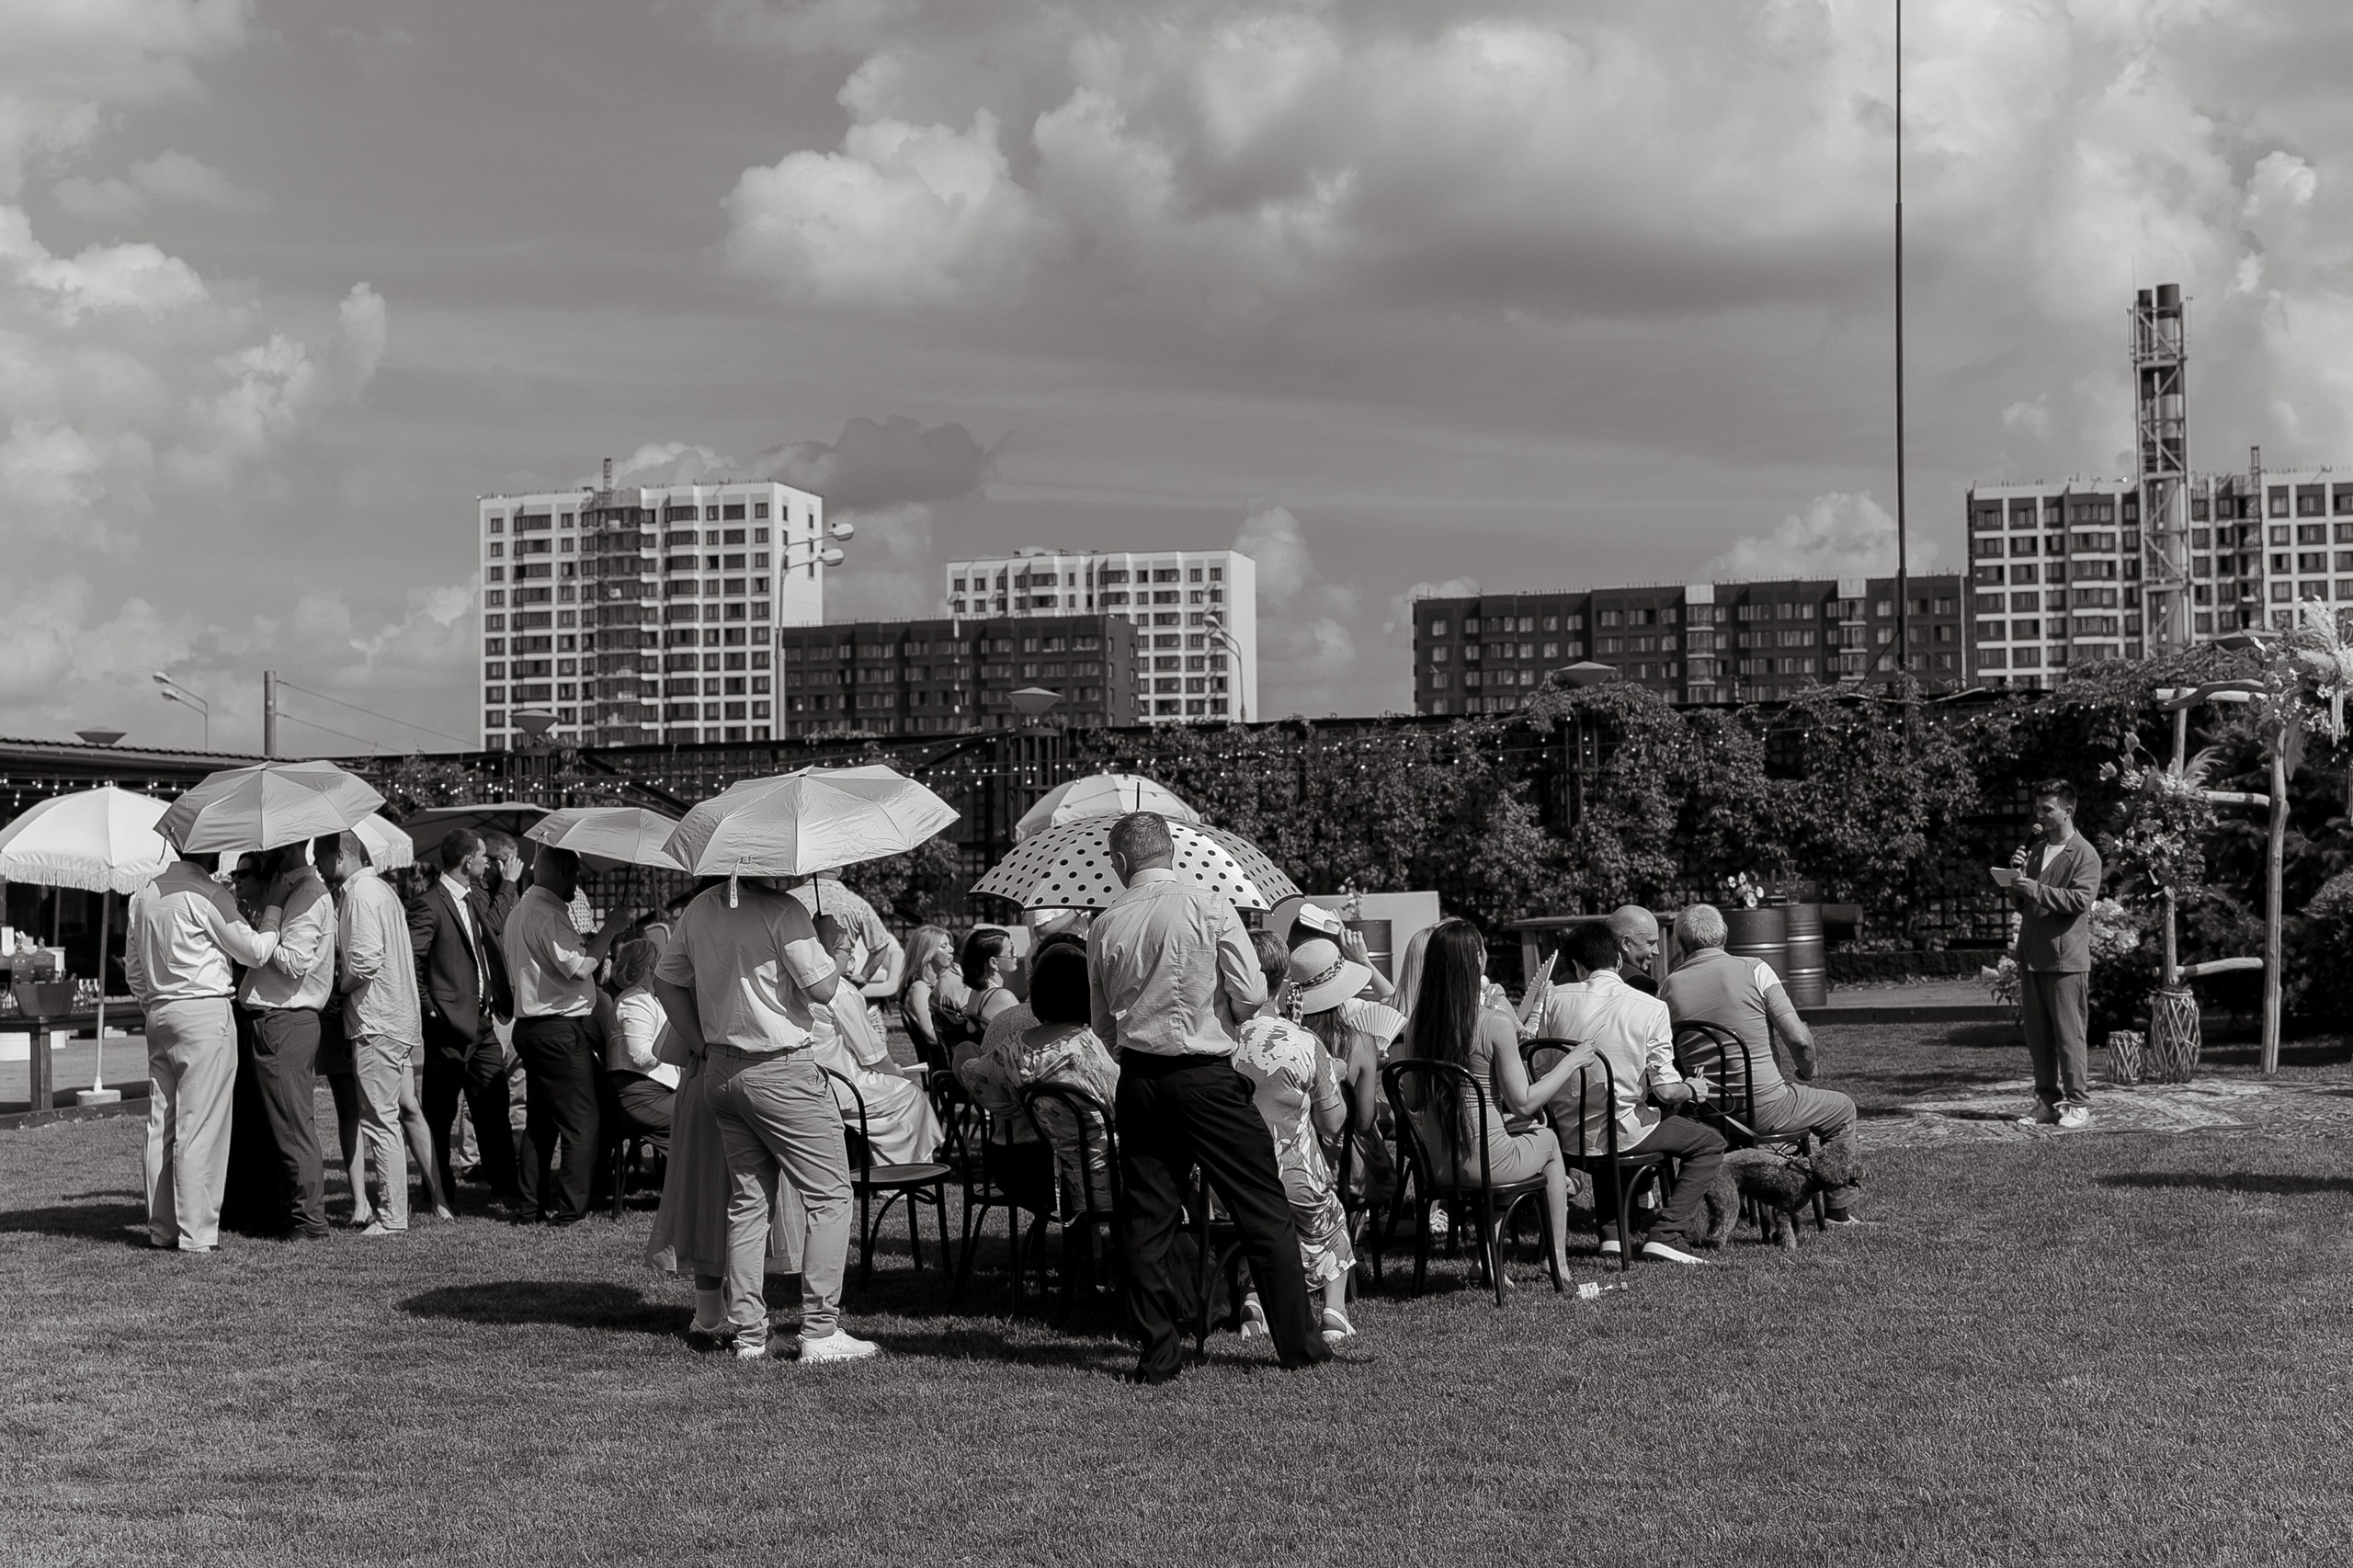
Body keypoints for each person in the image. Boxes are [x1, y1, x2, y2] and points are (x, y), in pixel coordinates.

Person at [1087, 812, 1329, 1383]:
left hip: (1141, 1079)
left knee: (1147, 1219)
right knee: (1262, 1209)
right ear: (1172, 852)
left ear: (1120, 862)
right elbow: (1250, 994)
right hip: (1206, 1077)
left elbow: (1101, 1024)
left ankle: (1158, 1354)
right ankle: (1298, 1346)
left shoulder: (1103, 925)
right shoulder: (1212, 905)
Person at [652, 874, 874, 1365]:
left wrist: (702, 1046)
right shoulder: (783, 910)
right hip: (780, 1070)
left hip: (722, 1072)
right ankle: (820, 1331)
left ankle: (749, 1334)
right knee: (831, 1196)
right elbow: (823, 989)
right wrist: (833, 946)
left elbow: (665, 981)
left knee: (748, 1201)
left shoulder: (701, 908)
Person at [1394, 920, 1577, 1284]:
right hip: (1486, 1162)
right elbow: (1523, 1103)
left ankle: (1487, 1260)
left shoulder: (1417, 1024)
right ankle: (1556, 1260)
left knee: (1509, 1145)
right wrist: (1572, 1061)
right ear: (1476, 960)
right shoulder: (1494, 1023)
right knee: (1549, 1142)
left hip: (1436, 1168)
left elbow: (1413, 1100)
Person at [123, 849, 283, 1252]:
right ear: (206, 849)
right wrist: (275, 911)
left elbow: (134, 971)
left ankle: (163, 1228)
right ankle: (196, 1233)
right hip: (202, 1011)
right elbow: (254, 951)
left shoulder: (143, 895)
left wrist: (154, 1004)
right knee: (201, 1125)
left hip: (161, 1012)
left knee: (162, 1125)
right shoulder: (207, 892)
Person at [1538, 923, 1725, 1266]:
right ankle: (1667, 1233)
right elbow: (1666, 1091)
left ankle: (1612, 1235)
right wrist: (1692, 1088)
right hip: (1622, 1133)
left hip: (1565, 1135)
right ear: (1618, 960)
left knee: (1615, 1117)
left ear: (1578, 967)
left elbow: (1540, 1067)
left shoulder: (1553, 999)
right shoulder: (1650, 1007)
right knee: (1709, 1142)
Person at [1662, 903, 1859, 1225]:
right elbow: (1799, 1039)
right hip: (1767, 1107)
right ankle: (1838, 1210)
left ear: (1681, 945)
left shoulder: (1667, 988)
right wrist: (1808, 1069)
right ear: (1725, 935)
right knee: (1842, 1108)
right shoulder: (1755, 969)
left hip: (1707, 1114)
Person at [1235, 931, 1361, 1345]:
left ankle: (1254, 1298)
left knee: (1254, 1224)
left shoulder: (1217, 1040)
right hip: (1293, 1179)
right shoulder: (1304, 1043)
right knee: (1330, 1218)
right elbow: (1332, 1124)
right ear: (1285, 980)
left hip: (1227, 1183)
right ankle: (1334, 1311)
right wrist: (1333, 1078)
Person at [320, 830, 447, 1233]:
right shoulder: (383, 890)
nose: (317, 868)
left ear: (340, 856)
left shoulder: (360, 894)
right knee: (404, 1110)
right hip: (398, 1019)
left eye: (320, 857)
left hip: (378, 1022)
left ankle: (392, 1216)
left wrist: (337, 989)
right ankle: (438, 1201)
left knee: (379, 1119)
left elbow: (364, 961)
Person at [503, 845, 631, 1225]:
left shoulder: (520, 911)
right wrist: (612, 927)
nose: (577, 881)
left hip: (530, 1026)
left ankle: (530, 1206)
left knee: (540, 1123)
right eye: (574, 873)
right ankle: (570, 1210)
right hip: (557, 1028)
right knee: (582, 1120)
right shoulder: (547, 915)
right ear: (560, 871)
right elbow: (580, 968)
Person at [959, 944, 1120, 1215]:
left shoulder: (1014, 1050)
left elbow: (970, 1074)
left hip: (1036, 1174)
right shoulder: (1098, 1049)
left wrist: (964, 1047)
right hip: (1108, 1177)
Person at [230, 843, 337, 1240]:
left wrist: (268, 920)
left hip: (285, 1019)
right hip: (275, 1018)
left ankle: (308, 1220)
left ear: (289, 843)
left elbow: (293, 961)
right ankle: (283, 1212)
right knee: (276, 1126)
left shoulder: (306, 893)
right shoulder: (293, 890)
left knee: (292, 1125)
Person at [408, 830, 518, 1209]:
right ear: (467, 861)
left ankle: (505, 1189)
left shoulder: (476, 897)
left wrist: (508, 884)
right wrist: (430, 1007)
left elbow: (496, 924)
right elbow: (412, 959)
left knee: (494, 1106)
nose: (487, 863)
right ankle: (438, 1191)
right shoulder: (429, 904)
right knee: (440, 1114)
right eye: (483, 857)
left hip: (484, 1024)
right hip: (448, 1027)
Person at [2006, 778, 2103, 1130]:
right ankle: (2046, 1102)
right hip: (2032, 955)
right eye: (2037, 809)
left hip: (2065, 959)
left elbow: (2080, 900)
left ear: (2068, 811)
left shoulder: (2085, 854)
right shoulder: (2035, 852)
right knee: (2038, 1037)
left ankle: (2078, 1104)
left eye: (2047, 809)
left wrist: (2034, 887)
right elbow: (2022, 903)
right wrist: (2014, 879)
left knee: (2068, 1036)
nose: (2040, 816)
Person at [1280, 936, 1395, 1219]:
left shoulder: (1285, 1039)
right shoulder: (1360, 1043)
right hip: (1345, 1167)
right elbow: (1364, 1121)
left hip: (1293, 1158)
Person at [603, 936, 678, 1150]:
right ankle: (690, 1170)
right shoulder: (634, 1002)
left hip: (651, 1092)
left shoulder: (646, 998)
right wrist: (675, 1041)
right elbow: (640, 1056)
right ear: (649, 969)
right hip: (640, 1097)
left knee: (710, 1110)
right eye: (660, 960)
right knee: (701, 1117)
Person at [790, 872, 905, 1002]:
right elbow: (881, 943)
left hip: (797, 984)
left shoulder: (790, 900)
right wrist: (864, 977)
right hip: (840, 986)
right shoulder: (857, 903)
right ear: (839, 870)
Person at [896, 924, 956, 1066]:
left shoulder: (936, 983)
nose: (951, 950)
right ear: (928, 953)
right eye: (944, 946)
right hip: (944, 1063)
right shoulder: (919, 989)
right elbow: (931, 1036)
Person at [1608, 905, 1663, 994]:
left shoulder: (1589, 976)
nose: (1657, 951)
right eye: (1650, 943)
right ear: (1626, 943)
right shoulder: (1642, 985)